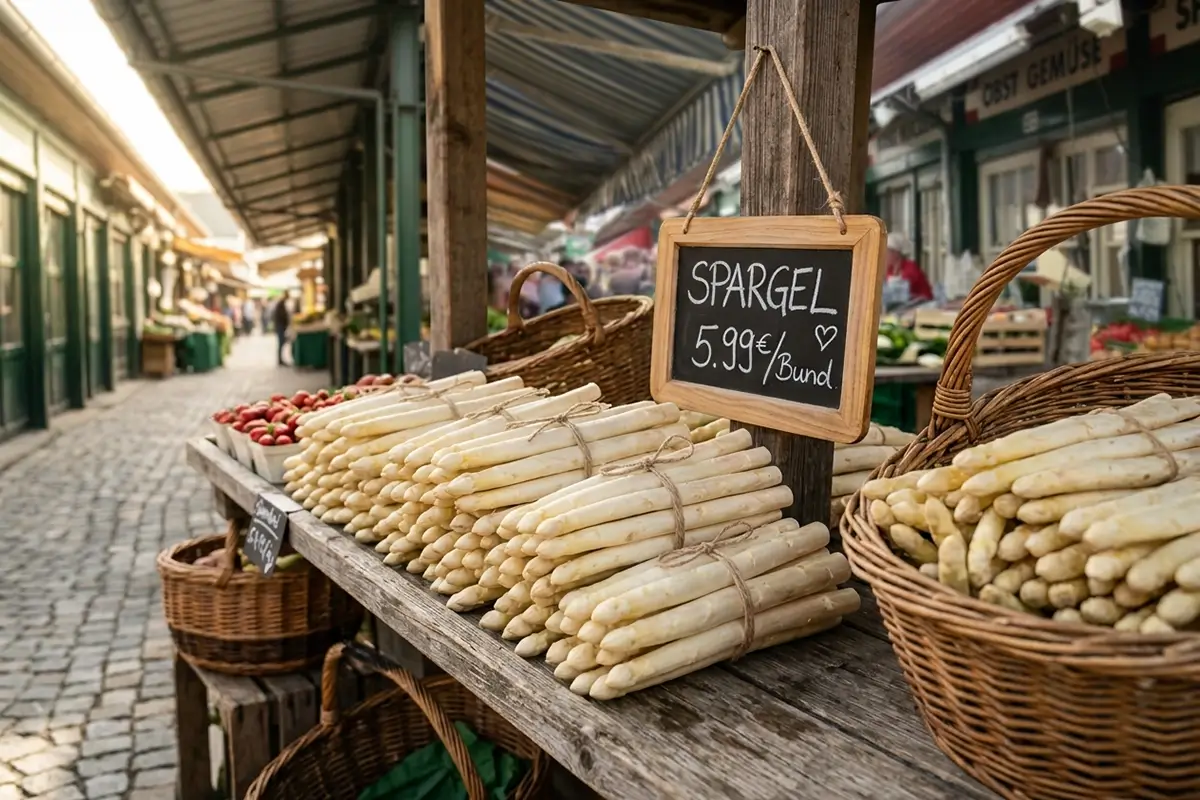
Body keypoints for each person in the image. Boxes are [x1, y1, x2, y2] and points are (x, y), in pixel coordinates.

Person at [884, 232, 933, 304]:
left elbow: (899, 289)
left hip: (922, 305)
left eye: (886, 252)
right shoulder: (890, 269)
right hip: (905, 306)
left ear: (896, 253)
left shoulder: (910, 267)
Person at [272, 297, 291, 366]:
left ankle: (280, 359)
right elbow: (283, 317)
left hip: (280, 327)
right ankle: (280, 360)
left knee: (281, 343)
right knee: (281, 343)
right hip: (280, 327)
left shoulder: (279, 308)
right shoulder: (281, 309)